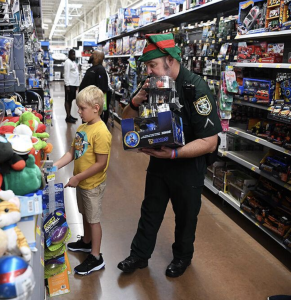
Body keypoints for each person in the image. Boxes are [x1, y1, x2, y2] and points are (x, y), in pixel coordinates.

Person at [117, 33, 222, 277]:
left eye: (153, 65)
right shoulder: (152, 84)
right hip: (159, 162)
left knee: (186, 216)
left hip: (187, 167)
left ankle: (182, 258)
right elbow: (125, 119)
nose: (149, 71)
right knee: (150, 210)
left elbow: (210, 142)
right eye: (147, 66)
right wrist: (135, 101)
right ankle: (139, 255)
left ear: (170, 61)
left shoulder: (196, 88)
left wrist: (174, 155)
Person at [54, 85, 112, 275]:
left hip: (92, 184)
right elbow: (72, 152)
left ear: (96, 108)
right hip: (82, 183)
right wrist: (54, 166)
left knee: (93, 219)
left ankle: (96, 257)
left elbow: (101, 164)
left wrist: (77, 177)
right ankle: (86, 243)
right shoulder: (83, 127)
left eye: (82, 108)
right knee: (85, 215)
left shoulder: (101, 132)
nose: (78, 111)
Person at [79, 50, 112, 125]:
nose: (91, 55)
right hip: (87, 103)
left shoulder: (100, 69)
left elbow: (102, 90)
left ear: (97, 57)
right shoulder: (93, 68)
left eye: (92, 54)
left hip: (92, 105)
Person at [64, 49, 80, 123]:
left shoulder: (73, 62)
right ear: (69, 55)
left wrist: (77, 85)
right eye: (72, 54)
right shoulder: (67, 62)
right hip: (69, 85)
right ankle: (68, 117)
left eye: (74, 54)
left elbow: (75, 73)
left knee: (70, 100)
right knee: (67, 100)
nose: (74, 56)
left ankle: (69, 115)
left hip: (73, 85)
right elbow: (66, 74)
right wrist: (67, 85)